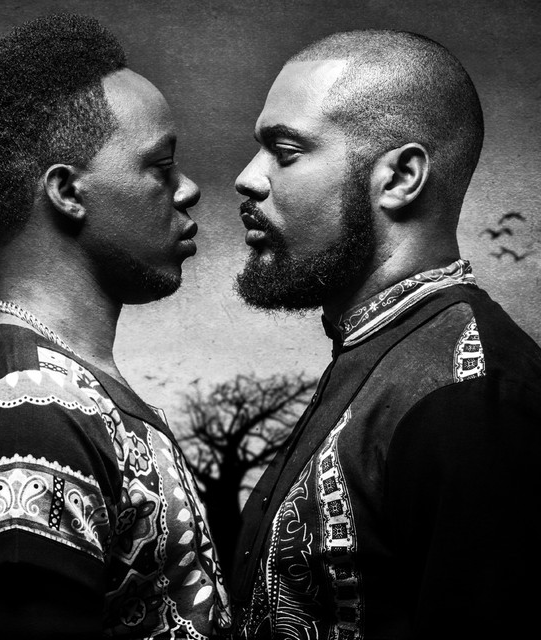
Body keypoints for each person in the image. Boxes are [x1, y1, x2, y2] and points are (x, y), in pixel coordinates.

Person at [0, 14, 230, 640]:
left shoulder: (57, 392)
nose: (187, 189)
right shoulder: (30, 413)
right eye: (160, 166)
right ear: (68, 192)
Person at [231, 30, 541, 640]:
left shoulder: (472, 396)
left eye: (285, 151)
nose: (248, 178)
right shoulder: (380, 352)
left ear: (399, 177)